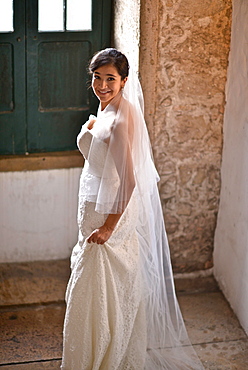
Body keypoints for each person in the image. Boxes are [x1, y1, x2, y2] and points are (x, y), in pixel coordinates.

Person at [61, 48, 203, 369]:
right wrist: (94, 123)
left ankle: (103, 357)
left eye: (110, 79)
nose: (102, 85)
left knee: (101, 287)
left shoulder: (122, 121)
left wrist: (109, 227)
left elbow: (128, 181)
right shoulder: (107, 106)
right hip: (94, 206)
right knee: (100, 285)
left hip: (110, 213)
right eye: (97, 78)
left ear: (124, 81)